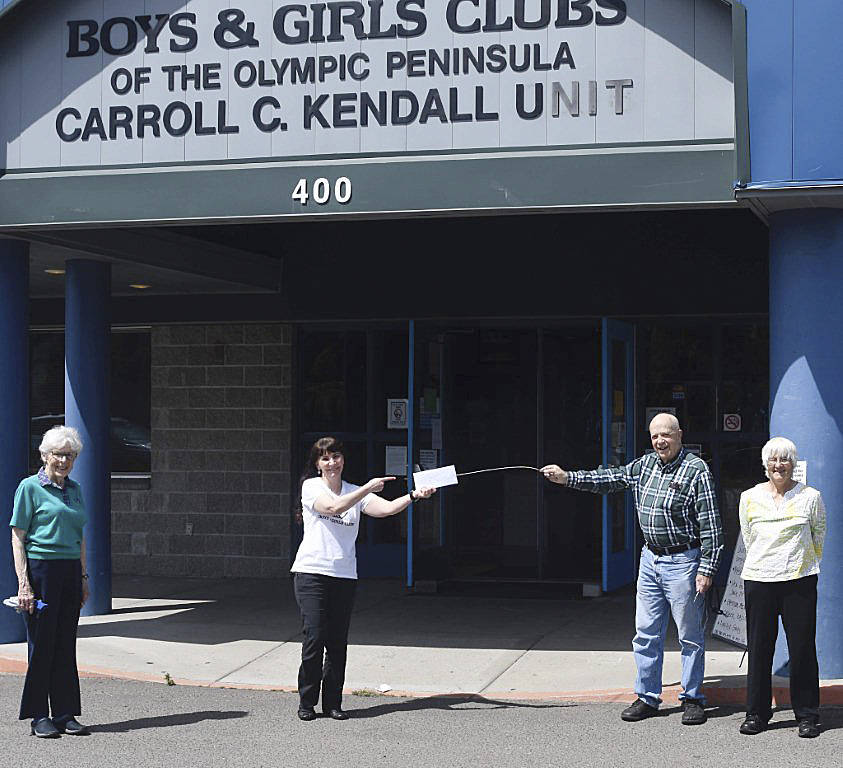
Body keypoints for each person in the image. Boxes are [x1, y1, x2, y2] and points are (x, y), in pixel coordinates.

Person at [541, 413, 723, 725]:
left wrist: (706, 569)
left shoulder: (697, 470)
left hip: (684, 562)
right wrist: (567, 477)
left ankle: (693, 697)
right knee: (646, 633)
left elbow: (712, 527)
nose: (660, 441)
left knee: (690, 636)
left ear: (680, 434)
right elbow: (609, 479)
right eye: (654, 436)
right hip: (650, 560)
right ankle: (647, 696)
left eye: (666, 434)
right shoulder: (644, 465)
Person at [291, 436, 435, 721]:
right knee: (314, 637)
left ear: (343, 460)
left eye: (336, 457)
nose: (332, 463)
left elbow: (387, 509)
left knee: (336, 642)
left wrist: (414, 496)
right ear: (318, 464)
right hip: (311, 573)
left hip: (344, 575)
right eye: (326, 458)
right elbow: (332, 508)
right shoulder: (312, 487)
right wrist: (368, 488)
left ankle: (333, 703)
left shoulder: (354, 491)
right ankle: (307, 702)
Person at [738, 437, 825, 738]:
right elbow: (749, 538)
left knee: (802, 648)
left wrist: (799, 564)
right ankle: (757, 714)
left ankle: (808, 715)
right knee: (760, 648)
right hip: (759, 580)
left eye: (785, 459)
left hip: (799, 581)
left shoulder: (810, 497)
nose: (779, 465)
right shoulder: (749, 497)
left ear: (793, 464)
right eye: (773, 460)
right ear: (765, 465)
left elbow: (818, 536)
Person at [10, 425, 90, 738]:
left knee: (64, 644)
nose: (64, 460)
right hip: (41, 571)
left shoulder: (75, 489)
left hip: (69, 571)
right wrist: (24, 584)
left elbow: (79, 536)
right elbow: (18, 536)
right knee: (42, 644)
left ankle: (65, 713)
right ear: (45, 456)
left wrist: (83, 576)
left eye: (69, 455)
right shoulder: (30, 488)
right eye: (58, 454)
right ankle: (38, 715)